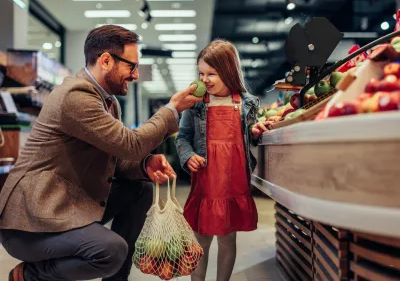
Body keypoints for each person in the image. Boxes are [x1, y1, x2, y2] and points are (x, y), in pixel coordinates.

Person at [0, 25, 202, 281]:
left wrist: (145, 165)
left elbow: (116, 160)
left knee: (141, 190)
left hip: (64, 207)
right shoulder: (76, 96)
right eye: (132, 66)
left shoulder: (107, 102)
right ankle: (30, 276)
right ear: (106, 60)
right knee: (110, 250)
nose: (136, 75)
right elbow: (131, 144)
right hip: (30, 224)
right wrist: (171, 110)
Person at [175, 39, 267, 281]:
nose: (204, 79)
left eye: (211, 73)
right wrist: (188, 156)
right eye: (201, 73)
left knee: (228, 238)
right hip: (206, 182)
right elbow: (182, 138)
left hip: (233, 182)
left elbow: (250, 135)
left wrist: (256, 131)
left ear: (228, 71)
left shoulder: (246, 103)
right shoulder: (195, 105)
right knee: (201, 239)